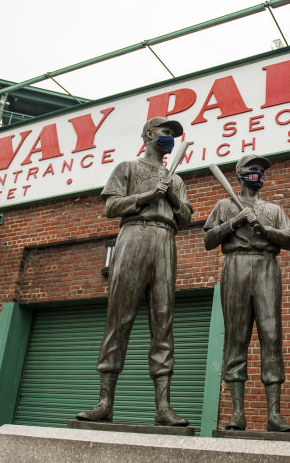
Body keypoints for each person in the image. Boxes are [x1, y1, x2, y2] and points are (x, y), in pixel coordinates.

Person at [76, 116, 193, 427]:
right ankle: (104, 403)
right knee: (119, 317)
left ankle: (163, 407)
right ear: (148, 134)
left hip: (164, 238)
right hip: (132, 236)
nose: (168, 137)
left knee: (163, 320)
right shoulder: (127, 167)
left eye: (172, 134)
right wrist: (147, 194)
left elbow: (185, 219)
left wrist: (168, 194)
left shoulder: (176, 180)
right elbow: (110, 208)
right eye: (164, 132)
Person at [203, 154, 290, 433]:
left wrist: (264, 228)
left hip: (267, 266)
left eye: (261, 170)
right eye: (252, 169)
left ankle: (274, 414)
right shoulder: (224, 205)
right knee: (236, 336)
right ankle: (237, 414)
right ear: (240, 174)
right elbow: (209, 240)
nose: (258, 173)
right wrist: (234, 222)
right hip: (235, 265)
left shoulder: (274, 208)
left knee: (271, 335)